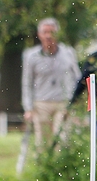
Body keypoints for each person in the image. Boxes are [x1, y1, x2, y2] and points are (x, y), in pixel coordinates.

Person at [21, 18, 80, 149]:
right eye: (45, 32)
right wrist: (28, 108)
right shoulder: (31, 56)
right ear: (39, 34)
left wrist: (75, 101)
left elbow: (77, 77)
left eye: (52, 32)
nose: (48, 36)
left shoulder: (68, 53)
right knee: (42, 142)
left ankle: (61, 167)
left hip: (63, 103)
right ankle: (43, 167)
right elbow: (27, 83)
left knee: (63, 140)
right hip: (41, 103)